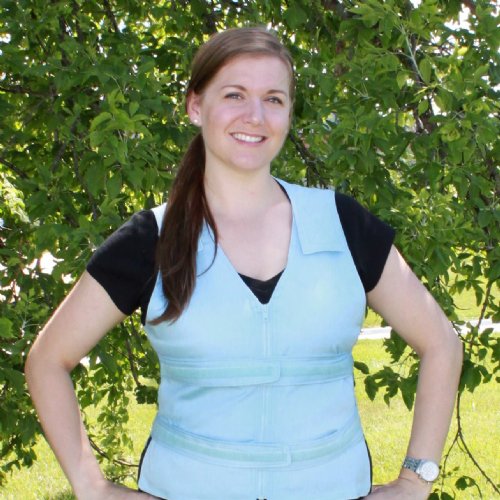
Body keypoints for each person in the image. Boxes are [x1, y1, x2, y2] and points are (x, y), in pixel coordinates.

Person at [25, 27, 463, 500]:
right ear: (196, 105)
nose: (255, 116)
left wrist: (416, 483)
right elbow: (49, 360)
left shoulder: (341, 224)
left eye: (273, 99)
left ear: (289, 112)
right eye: (235, 94)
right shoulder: (153, 237)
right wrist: (92, 487)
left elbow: (441, 344)